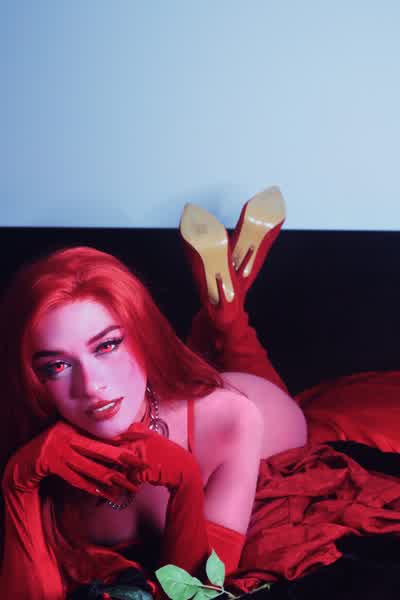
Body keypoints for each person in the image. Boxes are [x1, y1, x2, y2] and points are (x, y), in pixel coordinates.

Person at [0, 190, 307, 600]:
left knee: (235, 364)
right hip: (167, 389)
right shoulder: (35, 446)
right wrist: (18, 483)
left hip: (262, 407)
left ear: (142, 335)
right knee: (190, 366)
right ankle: (223, 302)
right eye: (57, 366)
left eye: (107, 346)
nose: (90, 386)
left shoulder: (234, 417)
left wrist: (184, 477)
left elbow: (198, 592)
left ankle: (228, 316)